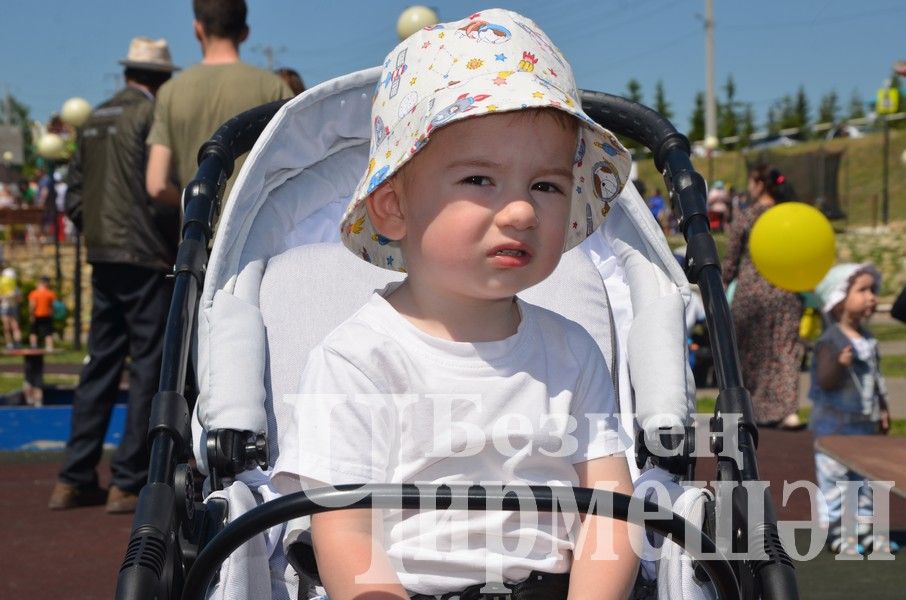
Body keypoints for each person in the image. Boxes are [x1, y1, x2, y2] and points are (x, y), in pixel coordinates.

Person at [271, 10, 638, 599]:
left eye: (545, 187)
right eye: (479, 181)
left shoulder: (572, 351)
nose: (521, 212)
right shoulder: (358, 361)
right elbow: (345, 536)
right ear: (393, 209)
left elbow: (609, 509)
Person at [48, 37, 181, 513]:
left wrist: (97, 235)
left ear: (128, 72)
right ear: (161, 78)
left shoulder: (95, 119)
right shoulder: (150, 117)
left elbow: (74, 196)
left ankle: (73, 476)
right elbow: (158, 191)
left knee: (99, 364)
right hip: (144, 256)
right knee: (147, 366)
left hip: (104, 254)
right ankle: (128, 479)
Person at [146, 0, 292, 207]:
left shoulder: (170, 93)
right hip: (256, 234)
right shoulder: (272, 87)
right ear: (245, 32)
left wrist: (194, 205)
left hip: (197, 234)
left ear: (197, 29)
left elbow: (156, 184)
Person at [810, 263, 898, 555]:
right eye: (862, 290)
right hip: (833, 425)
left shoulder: (869, 340)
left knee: (864, 477)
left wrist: (883, 408)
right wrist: (838, 365)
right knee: (835, 479)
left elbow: (876, 377)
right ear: (838, 300)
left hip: (863, 422)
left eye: (873, 290)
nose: (871, 296)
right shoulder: (830, 341)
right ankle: (836, 528)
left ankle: (862, 525)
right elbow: (824, 379)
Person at [721, 165, 804, 429]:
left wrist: (722, 285)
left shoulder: (747, 217)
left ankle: (751, 409)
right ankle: (787, 410)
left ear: (759, 184)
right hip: (785, 291)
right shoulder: (791, 216)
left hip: (751, 293)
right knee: (786, 351)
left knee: (749, 353)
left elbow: (731, 260)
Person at [28, 276, 56, 350]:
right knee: (48, 332)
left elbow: (32, 305)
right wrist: (52, 313)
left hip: (36, 315)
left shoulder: (34, 293)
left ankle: (33, 346)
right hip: (46, 315)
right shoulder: (50, 293)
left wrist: (31, 315)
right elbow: (52, 306)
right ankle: (49, 347)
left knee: (34, 331)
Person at [0, 267, 22, 348]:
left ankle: (16, 343)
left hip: (11, 306)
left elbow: (19, 299)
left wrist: (12, 297)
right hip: (5, 306)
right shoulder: (14, 287)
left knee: (13, 325)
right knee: (8, 326)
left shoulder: (15, 288)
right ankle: (10, 344)